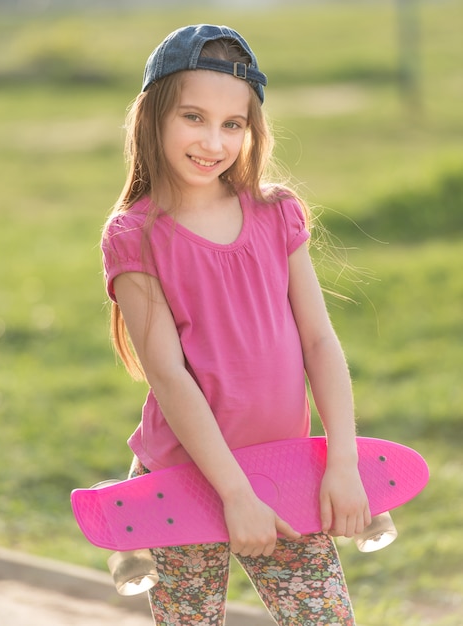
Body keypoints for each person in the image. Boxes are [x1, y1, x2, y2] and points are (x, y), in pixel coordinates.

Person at [101, 23, 371, 626]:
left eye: (233, 123)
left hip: (285, 471)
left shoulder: (277, 214)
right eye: (193, 117)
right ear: (153, 118)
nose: (213, 141)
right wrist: (233, 495)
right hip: (187, 478)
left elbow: (320, 342)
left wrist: (343, 461)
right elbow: (169, 377)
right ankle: (130, 535)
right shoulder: (135, 235)